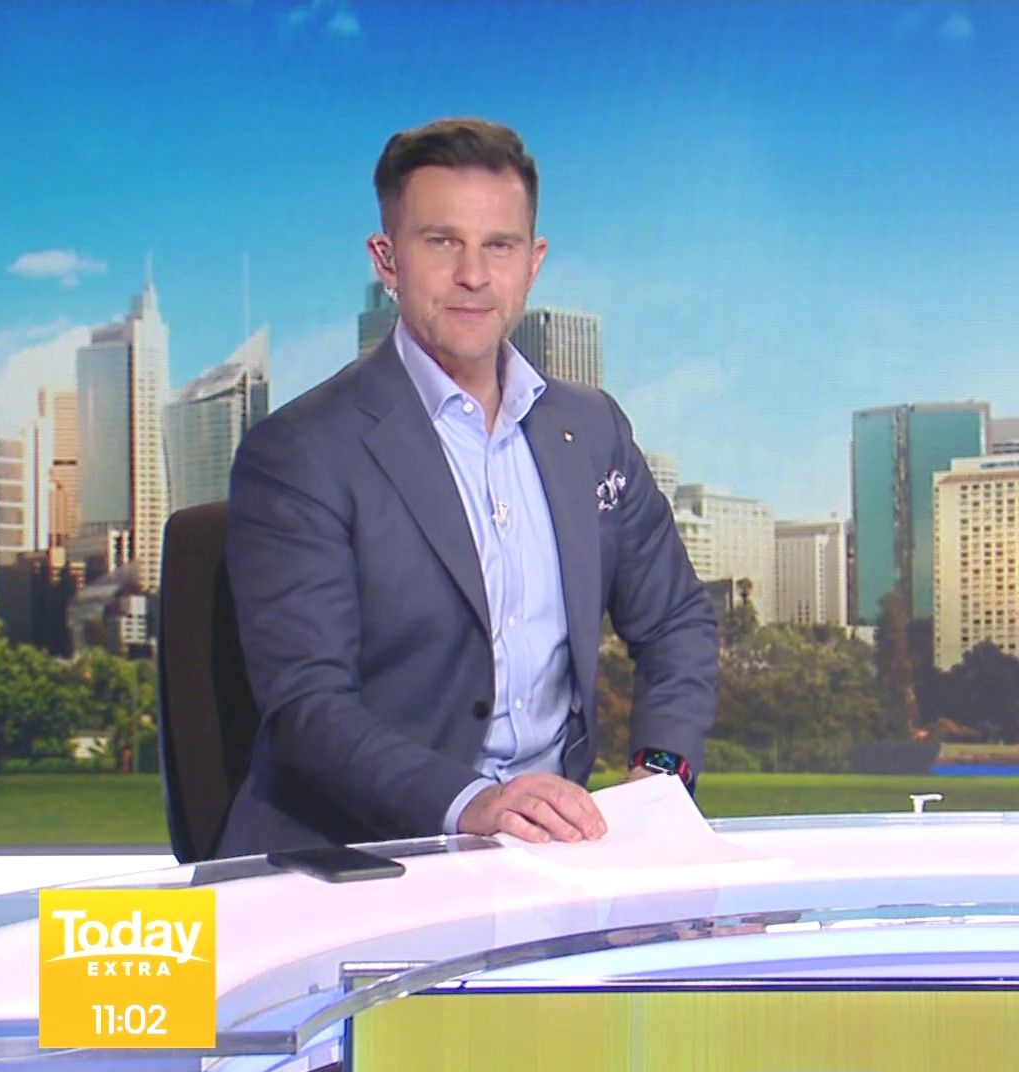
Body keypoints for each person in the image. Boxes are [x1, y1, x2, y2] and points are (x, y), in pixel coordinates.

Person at [218, 118, 718, 857]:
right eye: (441, 242)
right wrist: (476, 805)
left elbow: (676, 621)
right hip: (358, 858)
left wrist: (661, 776)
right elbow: (308, 706)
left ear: (533, 262)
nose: (474, 275)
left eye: (500, 246)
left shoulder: (593, 430)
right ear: (387, 260)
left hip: (552, 858)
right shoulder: (299, 451)